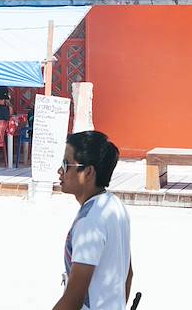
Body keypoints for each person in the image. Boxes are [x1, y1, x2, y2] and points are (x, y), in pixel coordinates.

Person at [54, 131, 132, 310]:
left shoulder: (89, 222)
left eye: (66, 164)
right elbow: (128, 275)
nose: (60, 171)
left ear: (88, 172)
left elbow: (74, 298)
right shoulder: (115, 205)